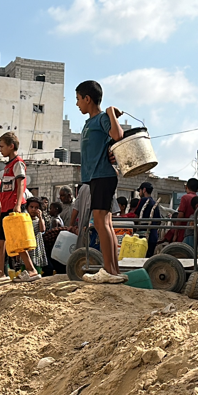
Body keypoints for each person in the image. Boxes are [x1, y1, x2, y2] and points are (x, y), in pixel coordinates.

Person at [75, 80, 126, 284]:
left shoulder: (103, 118)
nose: (77, 104)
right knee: (106, 223)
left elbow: (117, 135)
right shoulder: (89, 123)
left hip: (103, 175)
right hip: (96, 177)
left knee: (100, 222)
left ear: (88, 99)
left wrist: (111, 112)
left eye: (78, 99)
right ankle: (113, 270)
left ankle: (109, 270)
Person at [0, 132, 40, 283]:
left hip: (14, 207)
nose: (0, 150)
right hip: (5, 208)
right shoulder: (7, 166)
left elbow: (21, 184)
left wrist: (17, 204)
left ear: (11, 146)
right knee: (0, 240)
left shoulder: (18, 163)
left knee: (19, 241)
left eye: (2, 146)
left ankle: (31, 270)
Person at [168, 178, 198, 244]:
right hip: (194, 230)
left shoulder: (185, 198)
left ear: (186, 187)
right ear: (197, 189)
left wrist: (176, 233)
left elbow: (180, 215)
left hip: (183, 230)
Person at [136, 181, 162, 255]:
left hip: (142, 236)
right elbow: (159, 221)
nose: (139, 193)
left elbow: (136, 216)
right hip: (153, 236)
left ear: (144, 190)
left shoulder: (143, 200)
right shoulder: (154, 203)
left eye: (140, 191)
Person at [26, 197, 48, 274]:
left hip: (36, 246)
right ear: (27, 207)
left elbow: (42, 229)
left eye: (36, 208)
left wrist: (40, 217)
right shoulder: (25, 218)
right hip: (27, 245)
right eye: (31, 207)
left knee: (37, 264)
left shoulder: (39, 220)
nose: (33, 209)